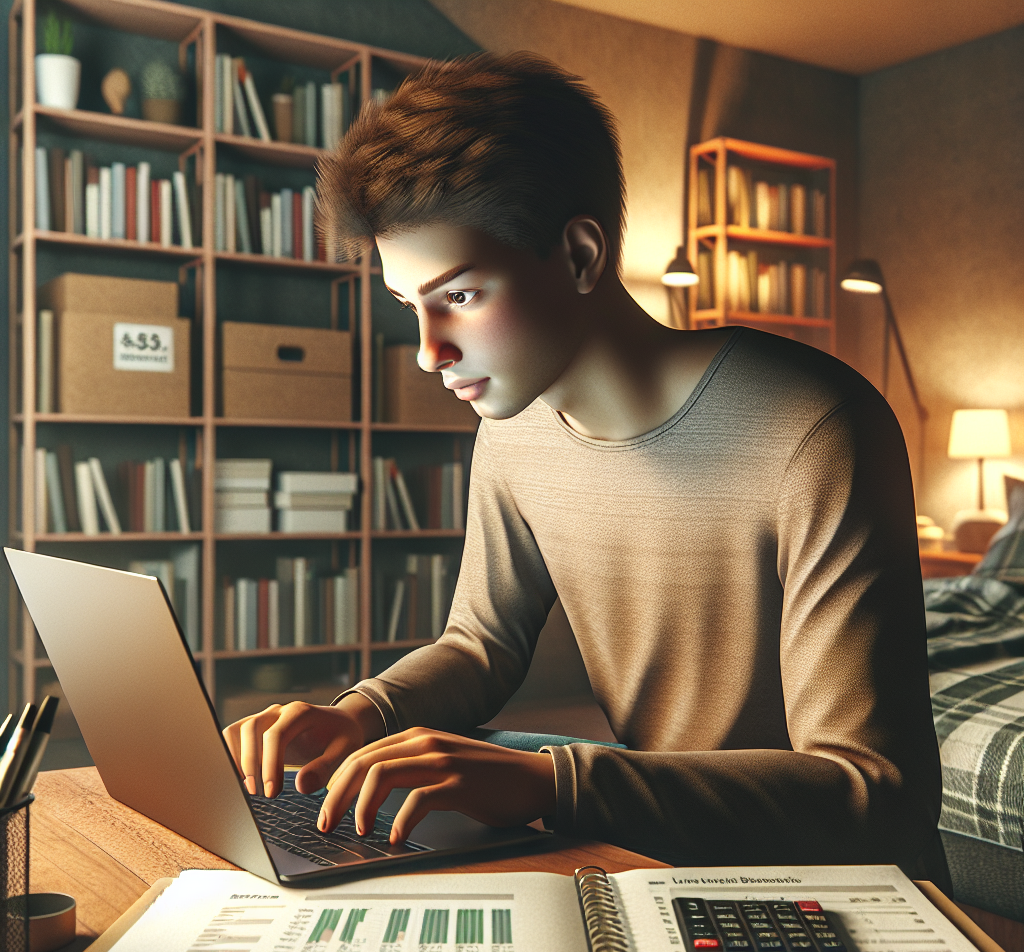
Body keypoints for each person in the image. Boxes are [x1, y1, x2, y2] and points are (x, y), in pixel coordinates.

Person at [224, 51, 949, 884]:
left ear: (576, 255)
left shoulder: (816, 427)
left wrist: (554, 779)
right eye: (408, 308)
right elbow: (480, 643)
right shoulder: (511, 427)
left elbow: (876, 793)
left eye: (458, 297)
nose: (428, 354)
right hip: (658, 840)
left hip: (841, 886)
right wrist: (359, 714)